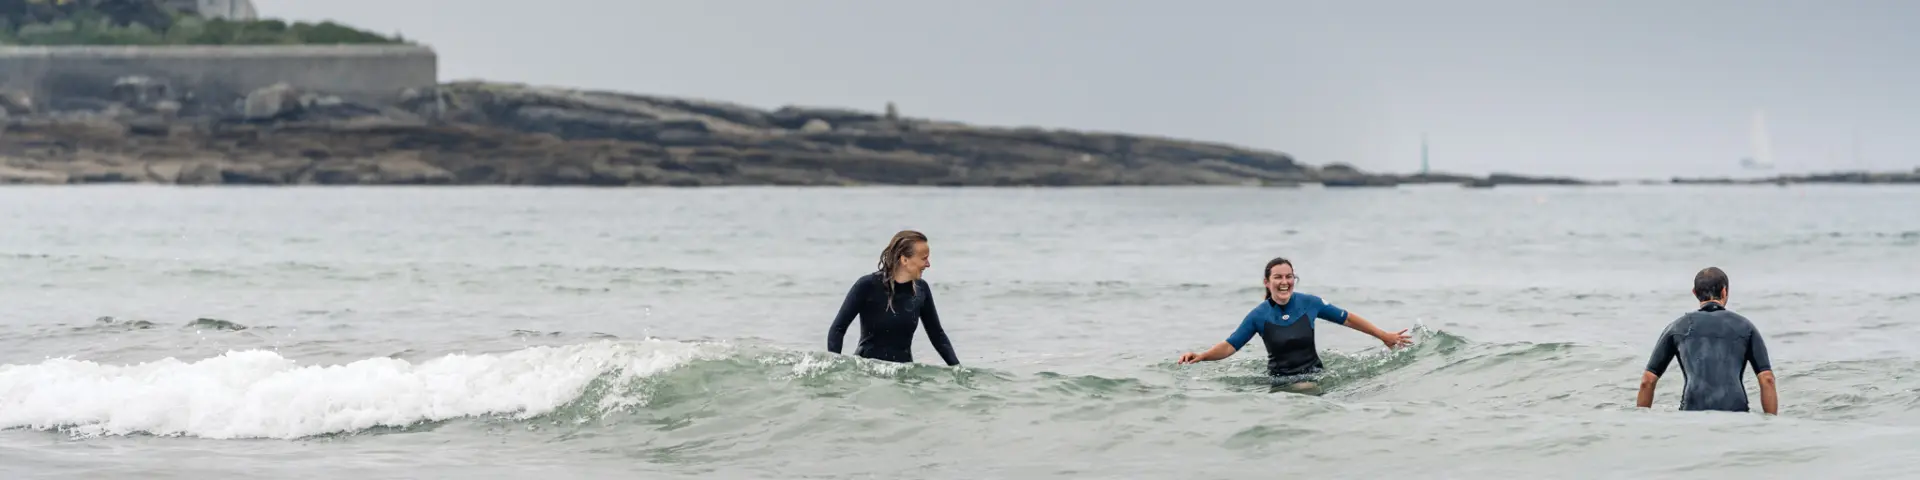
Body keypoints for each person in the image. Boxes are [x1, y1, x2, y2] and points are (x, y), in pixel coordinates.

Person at [1178, 257, 1413, 392]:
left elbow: (1348, 318)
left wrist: (1384, 335)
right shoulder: (1258, 316)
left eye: (1289, 276)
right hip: (1279, 383)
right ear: (1267, 283)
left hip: (1316, 375)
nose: (1284, 282)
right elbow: (1230, 345)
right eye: (1278, 277)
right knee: (1304, 390)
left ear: (1294, 280)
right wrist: (1201, 356)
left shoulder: (1310, 303)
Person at [1637, 267, 1778, 414]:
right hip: (1736, 413)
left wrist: (1642, 424)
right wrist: (1770, 427)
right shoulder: (1745, 327)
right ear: (1724, 291)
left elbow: (1647, 381)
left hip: (1692, 412)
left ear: (1695, 293)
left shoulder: (1678, 326)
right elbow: (1767, 379)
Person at [826, 230, 960, 366]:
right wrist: (835, 367)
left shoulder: (921, 289)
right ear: (904, 260)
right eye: (924, 258)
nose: (928, 264)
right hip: (868, 374)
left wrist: (958, 370)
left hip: (903, 377)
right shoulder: (867, 285)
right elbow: (838, 329)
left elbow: (937, 335)